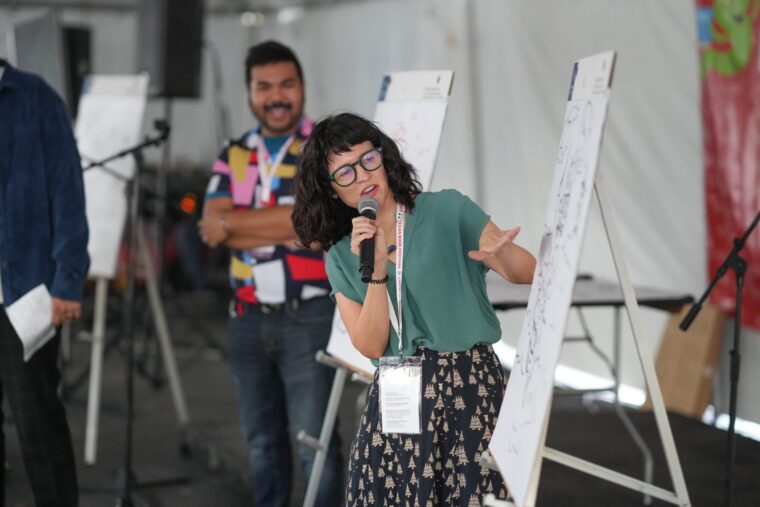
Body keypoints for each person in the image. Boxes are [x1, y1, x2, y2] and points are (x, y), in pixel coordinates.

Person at [292, 112, 537, 505]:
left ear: (384, 157)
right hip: (396, 399)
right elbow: (372, 346)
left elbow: (526, 272)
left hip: (469, 387)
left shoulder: (447, 210)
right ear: (331, 190)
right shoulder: (340, 255)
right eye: (346, 173)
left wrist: (502, 252)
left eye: (368, 159)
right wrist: (373, 272)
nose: (363, 176)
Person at [199, 41, 342, 506]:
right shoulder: (235, 152)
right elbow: (211, 228)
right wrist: (284, 221)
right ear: (249, 93)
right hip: (246, 318)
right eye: (264, 87)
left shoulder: (325, 147)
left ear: (302, 88)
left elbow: (316, 230)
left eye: (286, 84)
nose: (276, 96)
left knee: (315, 447)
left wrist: (240, 222)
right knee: (261, 445)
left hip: (310, 316)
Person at [0, 59, 88, 506]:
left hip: (22, 294)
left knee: (37, 421)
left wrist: (68, 280)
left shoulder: (35, 98)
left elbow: (68, 193)